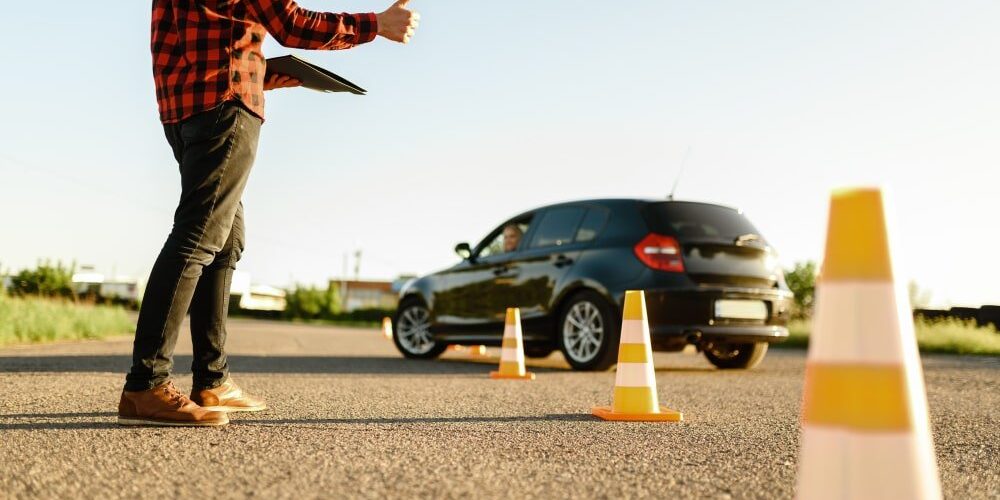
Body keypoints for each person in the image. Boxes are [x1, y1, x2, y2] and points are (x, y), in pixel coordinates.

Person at [118, 0, 420, 427]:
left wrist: (257, 71)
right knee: (199, 237)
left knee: (225, 241)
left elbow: (194, 39)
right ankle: (145, 385)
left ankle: (212, 380)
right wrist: (377, 25)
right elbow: (292, 23)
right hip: (224, 106)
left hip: (184, 108)